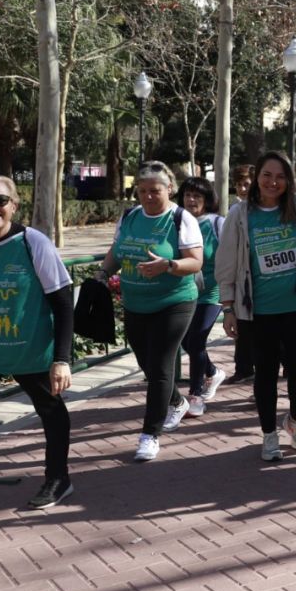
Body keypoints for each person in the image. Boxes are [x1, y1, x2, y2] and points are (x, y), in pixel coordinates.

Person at [216, 151, 296, 461]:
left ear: (289, 180)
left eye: (280, 176)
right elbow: (226, 264)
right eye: (267, 175)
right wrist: (228, 308)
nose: (273, 182)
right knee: (264, 375)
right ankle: (269, 434)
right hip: (259, 311)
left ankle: (295, 421)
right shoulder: (240, 215)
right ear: (257, 177)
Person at [0, 175, 75, 508]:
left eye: (0, 200)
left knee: (51, 412)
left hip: (32, 353)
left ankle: (58, 479)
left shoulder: (33, 243)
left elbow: (63, 303)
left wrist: (62, 359)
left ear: (14, 205)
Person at [99, 161, 204, 462]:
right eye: (142, 191)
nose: (147, 196)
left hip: (175, 302)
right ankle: (176, 401)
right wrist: (102, 275)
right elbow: (117, 251)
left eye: (155, 191)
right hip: (135, 304)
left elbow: (195, 262)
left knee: (159, 367)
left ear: (169, 189)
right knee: (147, 363)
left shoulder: (181, 218)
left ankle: (149, 435)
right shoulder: (130, 216)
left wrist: (168, 266)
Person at [174, 176, 227, 417]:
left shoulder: (217, 223)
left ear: (207, 200)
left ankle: (195, 395)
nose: (191, 200)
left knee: (196, 342)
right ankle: (213, 373)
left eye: (197, 196)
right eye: (187, 195)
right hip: (185, 292)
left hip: (212, 293)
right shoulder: (177, 222)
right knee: (186, 342)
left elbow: (231, 257)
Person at [227, 164, 257, 384]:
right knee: (243, 328)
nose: (243, 188)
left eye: (246, 183)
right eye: (239, 184)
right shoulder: (235, 210)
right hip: (241, 280)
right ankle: (244, 368)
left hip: (262, 282)